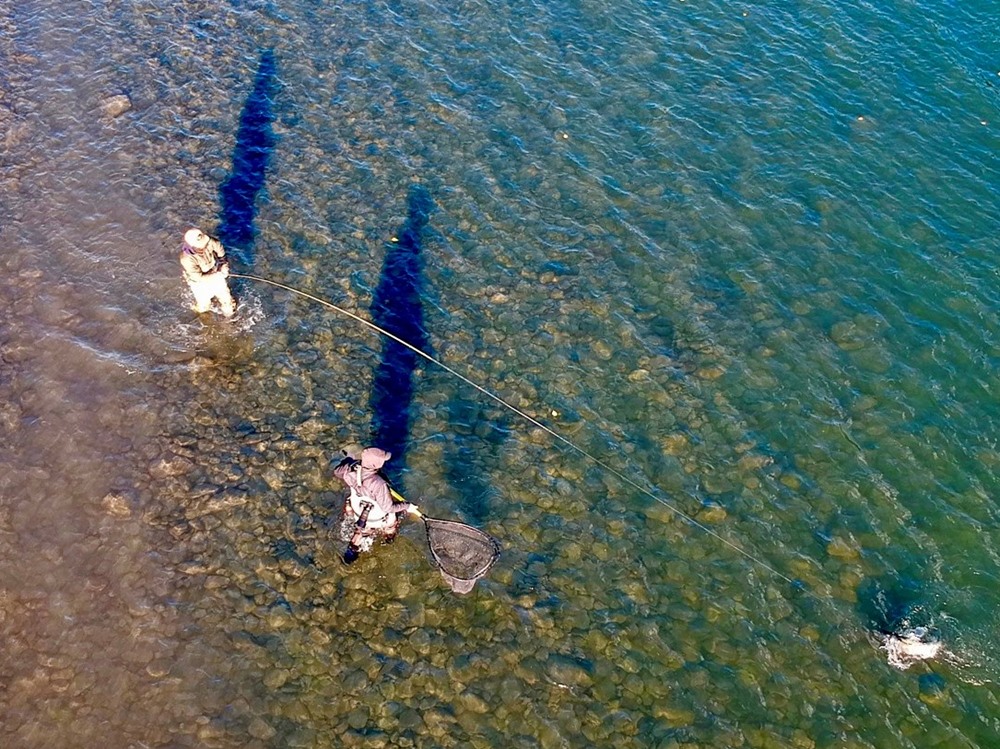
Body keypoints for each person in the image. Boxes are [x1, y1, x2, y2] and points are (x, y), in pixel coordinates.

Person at [333, 447, 420, 564]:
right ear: (377, 465)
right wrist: (407, 506)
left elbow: (337, 472)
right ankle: (389, 538)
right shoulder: (379, 483)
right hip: (379, 519)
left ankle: (350, 555)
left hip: (358, 513)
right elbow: (388, 508)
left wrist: (350, 462)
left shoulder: (349, 470)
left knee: (360, 532)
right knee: (392, 525)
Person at [180, 227, 236, 317]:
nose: (205, 244)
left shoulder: (211, 241)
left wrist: (224, 265)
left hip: (214, 271)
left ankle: (230, 322)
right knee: (204, 307)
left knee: (228, 303)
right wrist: (218, 275)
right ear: (193, 245)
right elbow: (198, 278)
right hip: (198, 281)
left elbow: (221, 253)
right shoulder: (186, 259)